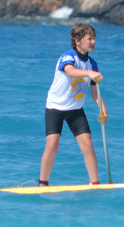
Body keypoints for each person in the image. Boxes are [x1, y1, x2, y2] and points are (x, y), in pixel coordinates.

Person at [38, 22, 108, 187]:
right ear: (77, 40)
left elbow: (94, 92)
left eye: (93, 38)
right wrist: (89, 73)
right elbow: (70, 71)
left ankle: (95, 183)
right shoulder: (68, 57)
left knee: (88, 145)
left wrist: (103, 110)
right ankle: (42, 183)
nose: (93, 42)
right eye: (89, 38)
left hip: (76, 109)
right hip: (55, 107)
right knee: (52, 145)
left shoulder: (92, 64)